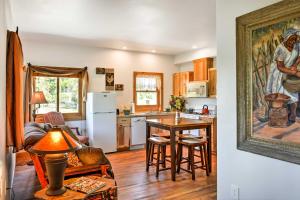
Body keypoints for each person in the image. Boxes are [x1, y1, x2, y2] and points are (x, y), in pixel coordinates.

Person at [266, 28, 300, 123]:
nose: (293, 41)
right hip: (279, 73)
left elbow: (299, 56)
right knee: (279, 94)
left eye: (295, 39)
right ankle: (279, 116)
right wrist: (294, 72)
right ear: (285, 39)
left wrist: (294, 65)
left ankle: (292, 115)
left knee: (293, 94)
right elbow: (280, 67)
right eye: (291, 39)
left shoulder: (297, 45)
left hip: (289, 70)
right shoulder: (280, 49)